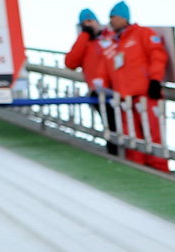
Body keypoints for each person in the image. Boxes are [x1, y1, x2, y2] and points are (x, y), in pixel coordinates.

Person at [103, 1, 169, 171]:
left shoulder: (142, 34)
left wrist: (155, 80)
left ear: (124, 17)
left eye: (114, 17)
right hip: (124, 97)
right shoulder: (114, 42)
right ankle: (138, 168)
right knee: (132, 136)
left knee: (153, 134)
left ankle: (159, 169)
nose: (111, 21)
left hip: (145, 94)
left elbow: (157, 55)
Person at [64, 8, 118, 155]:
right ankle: (114, 154)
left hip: (117, 90)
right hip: (98, 92)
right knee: (110, 126)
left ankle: (125, 154)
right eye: (84, 23)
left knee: (121, 126)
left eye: (90, 21)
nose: (88, 25)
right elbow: (71, 62)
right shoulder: (85, 42)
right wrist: (84, 35)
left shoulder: (111, 37)